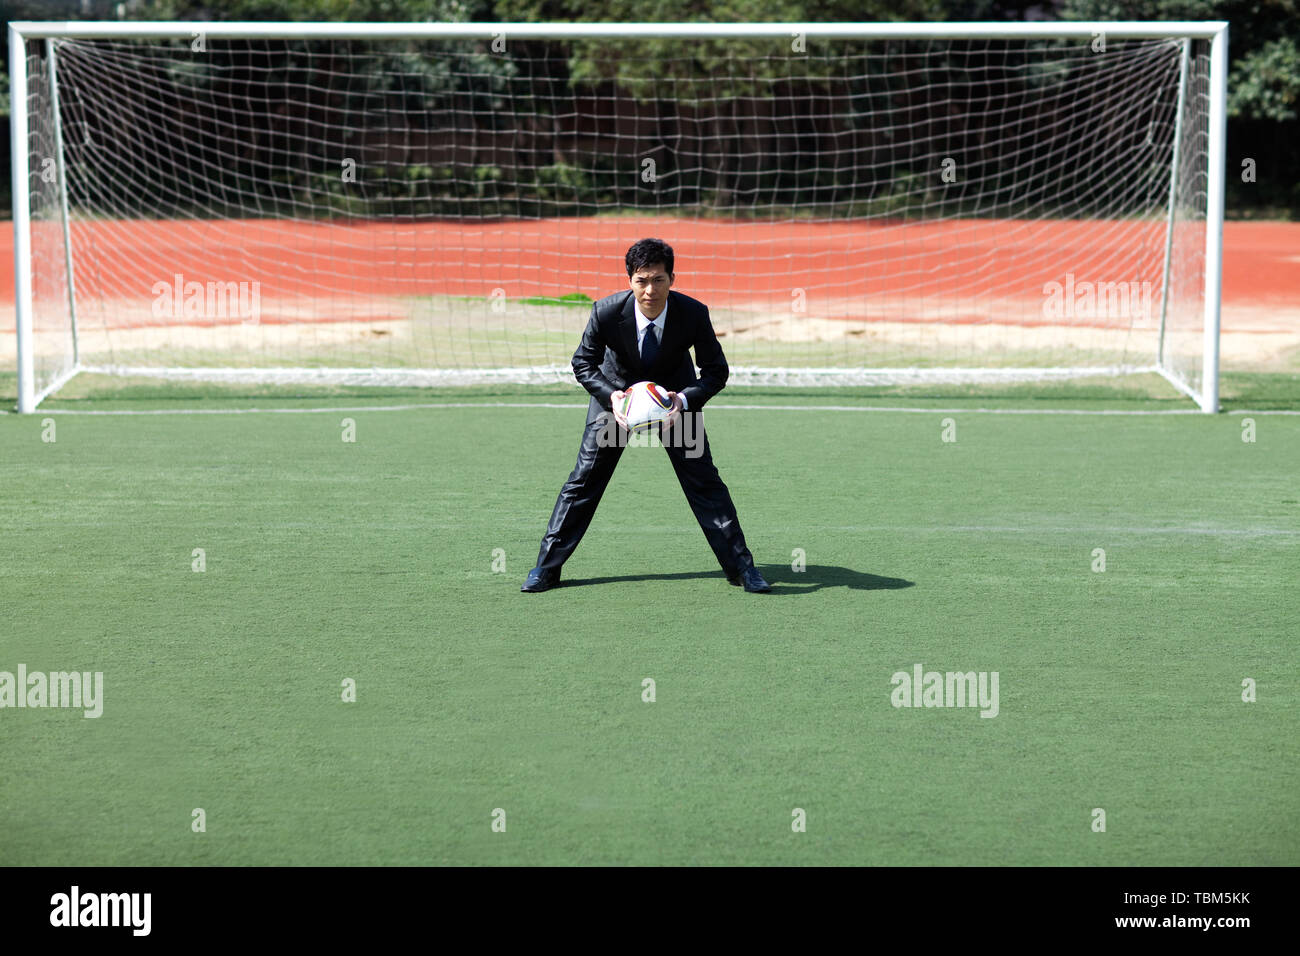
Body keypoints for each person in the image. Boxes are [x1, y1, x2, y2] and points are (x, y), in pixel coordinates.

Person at [521, 238, 771, 594]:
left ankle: (743, 570)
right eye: (642, 280)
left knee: (705, 482)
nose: (650, 290)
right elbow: (583, 363)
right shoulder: (605, 312)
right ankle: (545, 568)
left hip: (673, 402)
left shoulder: (693, 313)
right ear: (630, 280)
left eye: (658, 279)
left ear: (672, 278)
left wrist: (682, 401)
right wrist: (614, 398)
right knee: (584, 481)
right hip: (617, 400)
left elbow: (716, 372)